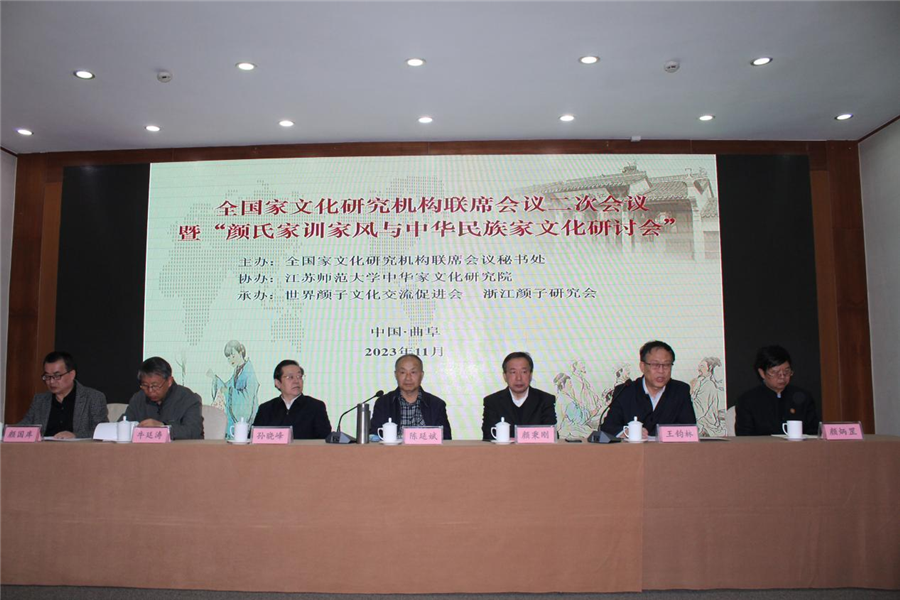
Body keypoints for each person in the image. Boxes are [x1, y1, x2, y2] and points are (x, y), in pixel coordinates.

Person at [600, 341, 696, 438]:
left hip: (668, 448)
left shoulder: (680, 391)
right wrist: (626, 432)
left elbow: (689, 429)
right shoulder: (625, 391)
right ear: (642, 366)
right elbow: (608, 427)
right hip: (633, 448)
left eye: (666, 365)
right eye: (655, 365)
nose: (661, 371)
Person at [17, 351, 108, 439]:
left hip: (77, 448)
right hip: (44, 448)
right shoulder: (39, 400)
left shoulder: (93, 398)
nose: (51, 382)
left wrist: (75, 436)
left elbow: (103, 431)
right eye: (47, 376)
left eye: (57, 376)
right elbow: (24, 426)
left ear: (72, 375)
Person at [735, 345, 819, 436]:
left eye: (786, 371)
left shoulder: (803, 397)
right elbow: (744, 436)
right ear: (762, 373)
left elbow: (813, 432)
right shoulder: (747, 400)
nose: (782, 376)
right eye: (775, 372)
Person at [369, 354, 452, 440]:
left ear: (421, 375)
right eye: (403, 372)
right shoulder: (383, 403)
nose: (408, 378)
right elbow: (374, 435)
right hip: (392, 449)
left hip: (427, 449)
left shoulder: (436, 404)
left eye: (413, 372)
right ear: (396, 375)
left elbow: (446, 439)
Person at [481, 352, 556, 441]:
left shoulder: (545, 400)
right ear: (505, 376)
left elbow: (551, 434)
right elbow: (489, 435)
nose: (519, 378)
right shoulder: (492, 402)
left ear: (530, 375)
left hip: (536, 450)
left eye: (524, 372)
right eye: (513, 372)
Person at [124, 356, 203, 440]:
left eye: (155, 386)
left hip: (177, 447)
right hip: (144, 447)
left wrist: (163, 427)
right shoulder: (138, 399)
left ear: (169, 381)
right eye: (145, 386)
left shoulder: (188, 399)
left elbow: (193, 431)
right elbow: (123, 424)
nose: (150, 391)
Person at [253, 360, 331, 439]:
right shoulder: (266, 409)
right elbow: (254, 438)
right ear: (278, 383)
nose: (296, 381)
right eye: (290, 377)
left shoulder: (315, 407)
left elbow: (325, 439)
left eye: (299, 377)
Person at [208, 340, 260, 439]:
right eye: (228, 358)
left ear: (240, 352)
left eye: (233, 356)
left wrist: (229, 392)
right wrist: (215, 378)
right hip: (234, 419)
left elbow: (248, 398)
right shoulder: (237, 370)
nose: (231, 360)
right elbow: (227, 387)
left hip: (246, 419)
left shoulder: (249, 372)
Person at [691, 356, 725, 437]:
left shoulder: (708, 385)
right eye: (699, 366)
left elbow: (698, 410)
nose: (699, 369)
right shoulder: (702, 383)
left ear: (709, 368)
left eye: (702, 366)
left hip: (707, 429)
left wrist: (691, 389)